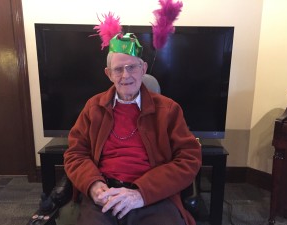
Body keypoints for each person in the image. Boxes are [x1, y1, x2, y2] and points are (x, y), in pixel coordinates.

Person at [64, 32, 202, 225]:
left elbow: (189, 159)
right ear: (109, 74)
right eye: (118, 69)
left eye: (132, 67)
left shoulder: (169, 110)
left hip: (152, 196)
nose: (125, 75)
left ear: (143, 69)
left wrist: (142, 194)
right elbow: (75, 154)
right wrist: (93, 184)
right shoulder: (93, 107)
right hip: (105, 195)